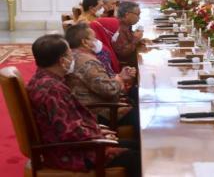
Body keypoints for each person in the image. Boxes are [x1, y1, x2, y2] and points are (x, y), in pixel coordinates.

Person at [27, 34, 140, 175]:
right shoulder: (52, 89)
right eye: (70, 54)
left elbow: (71, 121)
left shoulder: (44, 79)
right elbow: (69, 131)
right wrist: (97, 136)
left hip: (74, 146)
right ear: (62, 61)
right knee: (136, 158)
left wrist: (96, 130)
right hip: (72, 154)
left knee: (137, 145)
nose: (72, 58)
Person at [64, 23, 138, 129]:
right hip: (99, 112)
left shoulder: (74, 55)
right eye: (94, 38)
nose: (97, 41)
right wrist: (120, 79)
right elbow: (109, 90)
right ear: (85, 42)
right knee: (142, 113)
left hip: (91, 107)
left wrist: (119, 76)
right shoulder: (87, 61)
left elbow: (98, 83)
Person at [112, 1, 144, 68]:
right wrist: (136, 38)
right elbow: (123, 53)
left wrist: (140, 40)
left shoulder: (126, 25)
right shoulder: (119, 28)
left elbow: (130, 40)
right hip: (126, 67)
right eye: (137, 15)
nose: (139, 18)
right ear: (127, 14)